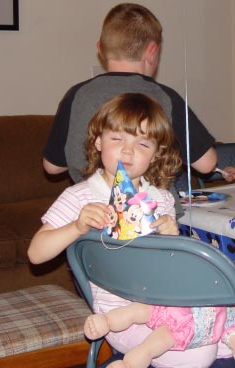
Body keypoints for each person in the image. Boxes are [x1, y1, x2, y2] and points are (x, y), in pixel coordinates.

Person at [29, 93, 219, 368]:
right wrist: (76, 226)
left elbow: (175, 269)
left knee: (230, 333)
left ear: (156, 154)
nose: (128, 151)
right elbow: (36, 254)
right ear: (98, 142)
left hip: (166, 305)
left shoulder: (162, 199)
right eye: (117, 139)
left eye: (142, 143)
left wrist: (172, 236)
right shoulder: (80, 197)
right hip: (118, 317)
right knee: (202, 353)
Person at [42, 3, 217, 214]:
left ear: (100, 49)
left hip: (91, 219)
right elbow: (207, 164)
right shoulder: (166, 97)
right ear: (152, 52)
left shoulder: (77, 95)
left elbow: (52, 167)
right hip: (155, 220)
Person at [84, 275, 235, 368]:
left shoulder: (233, 324)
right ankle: (105, 322)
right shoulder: (218, 283)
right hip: (168, 304)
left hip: (181, 332)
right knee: (136, 310)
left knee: (150, 347)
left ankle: (127, 365)